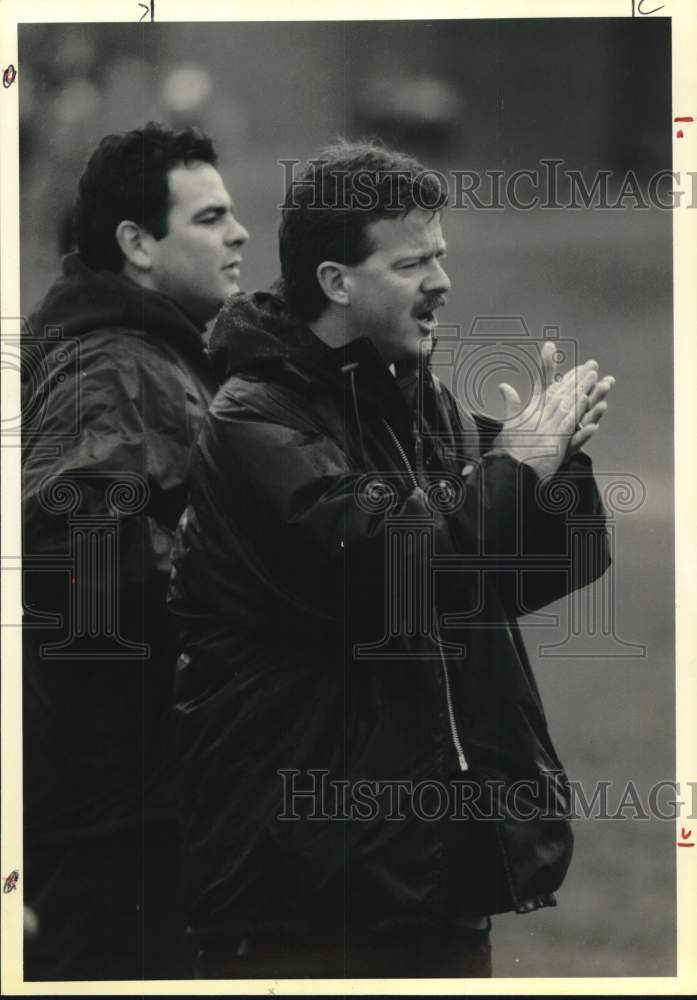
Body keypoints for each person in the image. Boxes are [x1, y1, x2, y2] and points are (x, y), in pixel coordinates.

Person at [168, 140, 614, 979]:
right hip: (304, 886)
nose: (442, 283)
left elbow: (517, 578)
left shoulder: (422, 404)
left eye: (439, 256)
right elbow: (390, 568)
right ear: (337, 283)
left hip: (431, 874)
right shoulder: (253, 422)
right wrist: (515, 467)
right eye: (413, 263)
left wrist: (555, 470)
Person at [21, 121, 249, 981]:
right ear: (137, 246)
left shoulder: (149, 352)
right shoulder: (113, 370)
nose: (239, 234)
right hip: (115, 824)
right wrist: (244, 597)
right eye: (209, 218)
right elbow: (85, 582)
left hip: (129, 807)